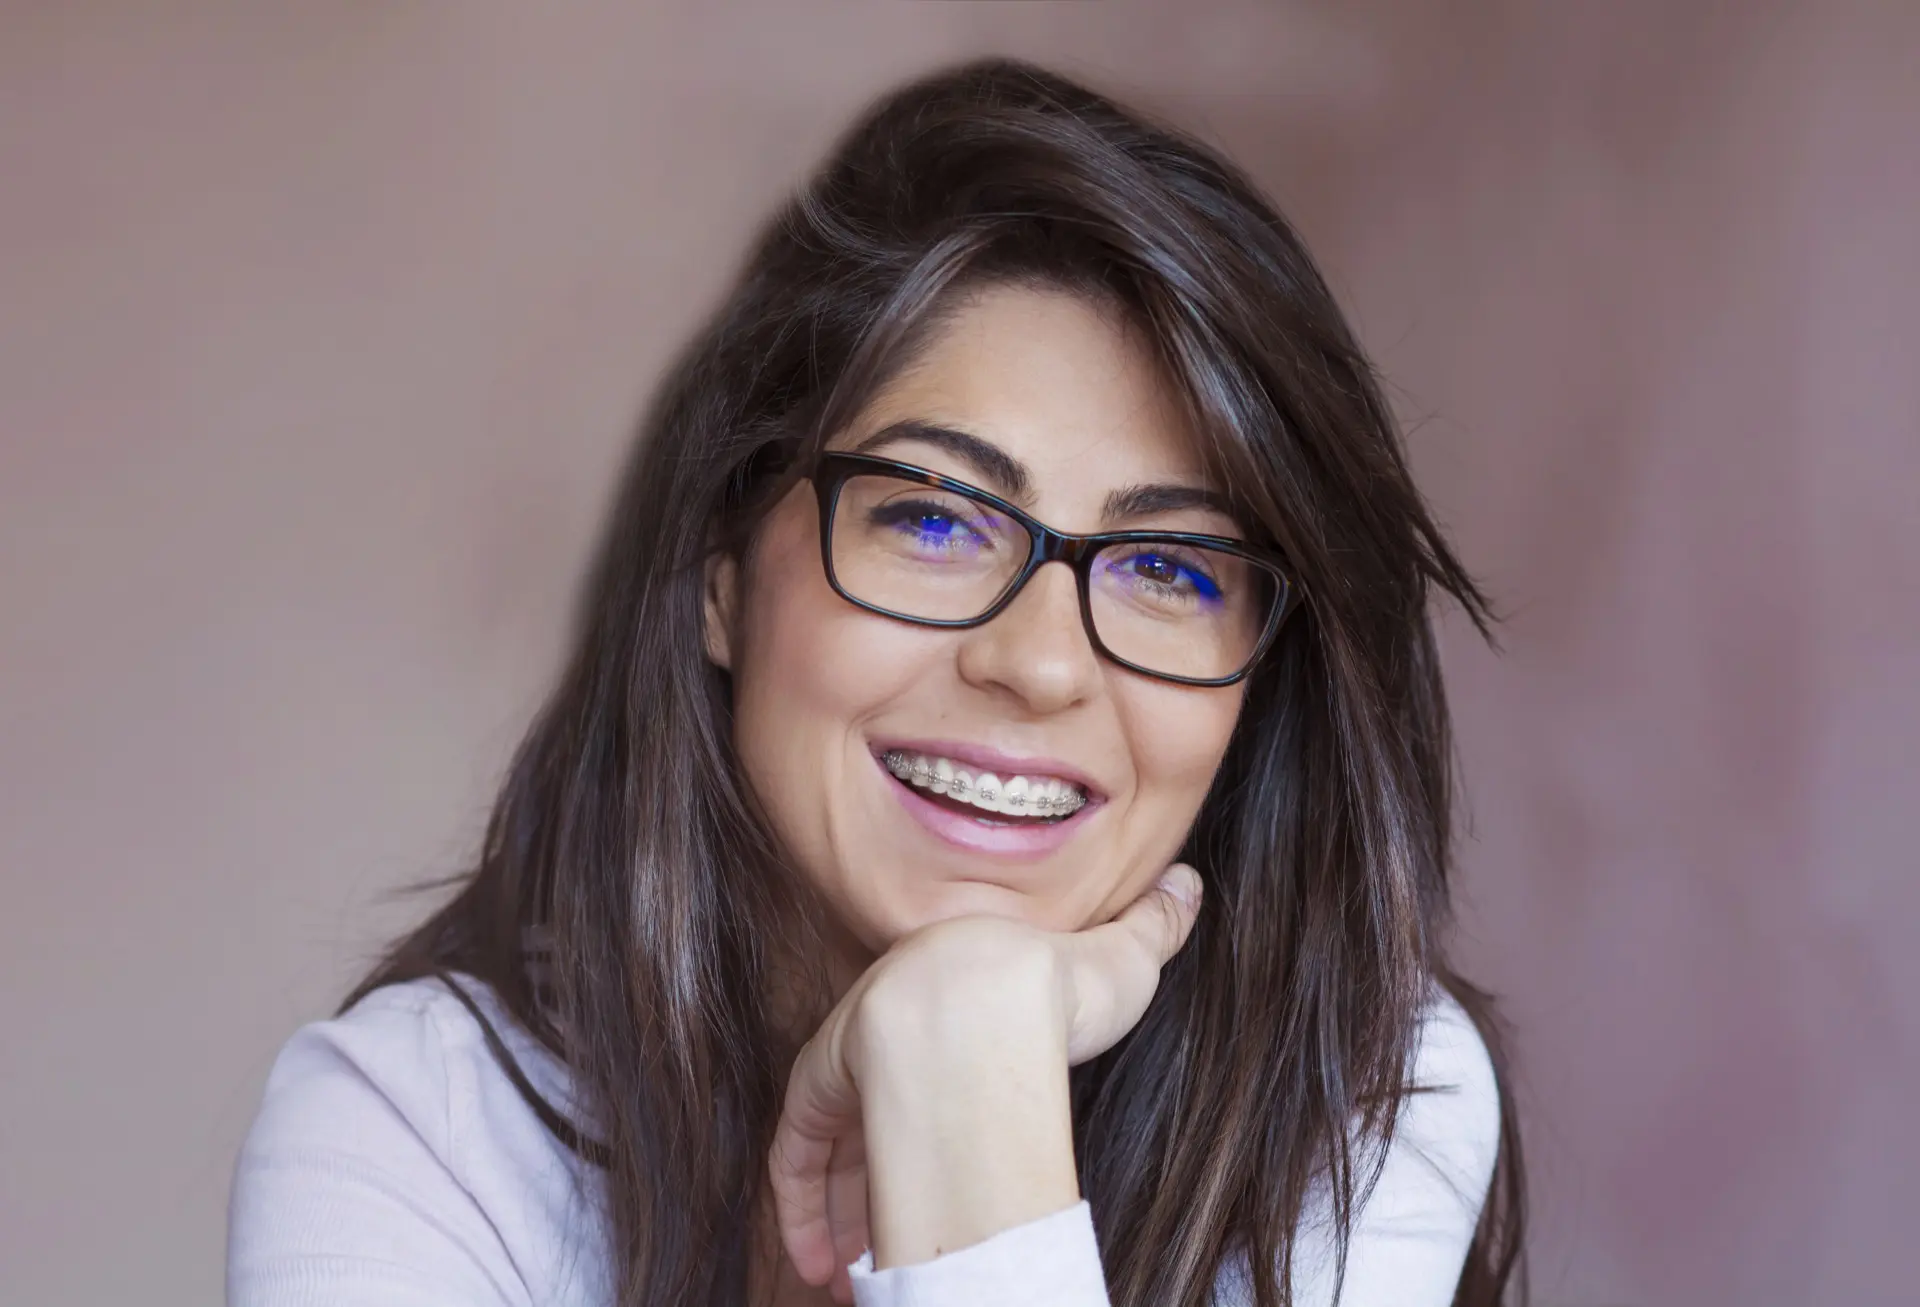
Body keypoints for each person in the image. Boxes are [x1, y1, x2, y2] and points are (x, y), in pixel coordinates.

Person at [228, 57, 1525, 1307]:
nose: (1038, 661)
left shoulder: (1358, 1102)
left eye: (1172, 570)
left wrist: (964, 1068)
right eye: (934, 520)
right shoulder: (425, 1130)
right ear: (723, 569)